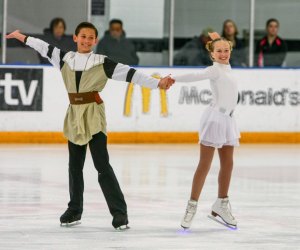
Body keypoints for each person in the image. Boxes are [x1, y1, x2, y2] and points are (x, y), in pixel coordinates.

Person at [6, 22, 174, 230]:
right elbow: (43, 46)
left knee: (102, 165)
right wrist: (21, 37)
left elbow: (131, 74)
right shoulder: (64, 58)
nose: (86, 40)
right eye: (83, 36)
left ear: (95, 41)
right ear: (75, 38)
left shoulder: (102, 62)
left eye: (90, 37)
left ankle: (119, 213)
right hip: (74, 115)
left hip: (94, 114)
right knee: (74, 166)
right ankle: (74, 210)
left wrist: (157, 83)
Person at [172, 32, 239, 229]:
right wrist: (172, 78)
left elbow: (221, 48)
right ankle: (191, 207)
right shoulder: (215, 70)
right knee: (205, 164)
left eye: (226, 50)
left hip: (229, 120)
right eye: (219, 51)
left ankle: (221, 204)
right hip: (215, 120)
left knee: (228, 164)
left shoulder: (226, 66)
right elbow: (195, 75)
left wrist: (219, 40)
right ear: (212, 55)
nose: (223, 53)